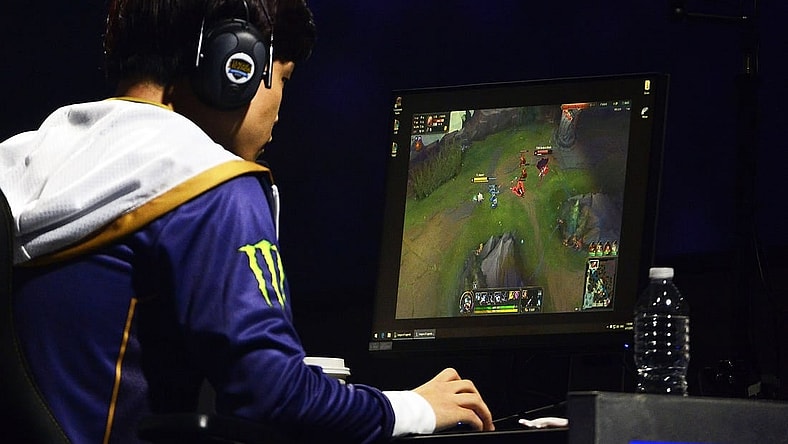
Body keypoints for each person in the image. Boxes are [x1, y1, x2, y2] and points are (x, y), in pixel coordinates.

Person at [0, 0, 494, 442]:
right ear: (236, 63)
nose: (280, 110)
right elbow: (276, 397)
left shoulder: (20, 161)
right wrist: (415, 408)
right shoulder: (211, 186)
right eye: (284, 80)